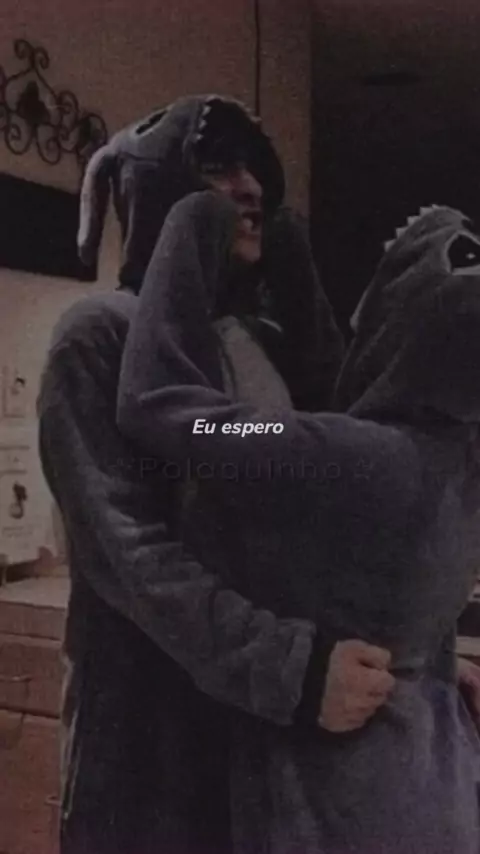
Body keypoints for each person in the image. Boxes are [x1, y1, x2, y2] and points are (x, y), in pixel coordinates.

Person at [37, 95, 394, 854]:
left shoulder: (259, 341)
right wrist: (293, 671)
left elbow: (337, 496)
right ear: (160, 187)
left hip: (262, 748)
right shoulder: (100, 335)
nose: (250, 187)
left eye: (255, 168)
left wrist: (414, 669)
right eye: (217, 166)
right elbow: (130, 557)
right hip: (145, 752)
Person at [118, 196, 480, 853]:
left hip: (341, 810)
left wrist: (193, 218)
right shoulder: (459, 457)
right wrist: (287, 249)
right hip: (435, 784)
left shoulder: (353, 458)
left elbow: (161, 404)